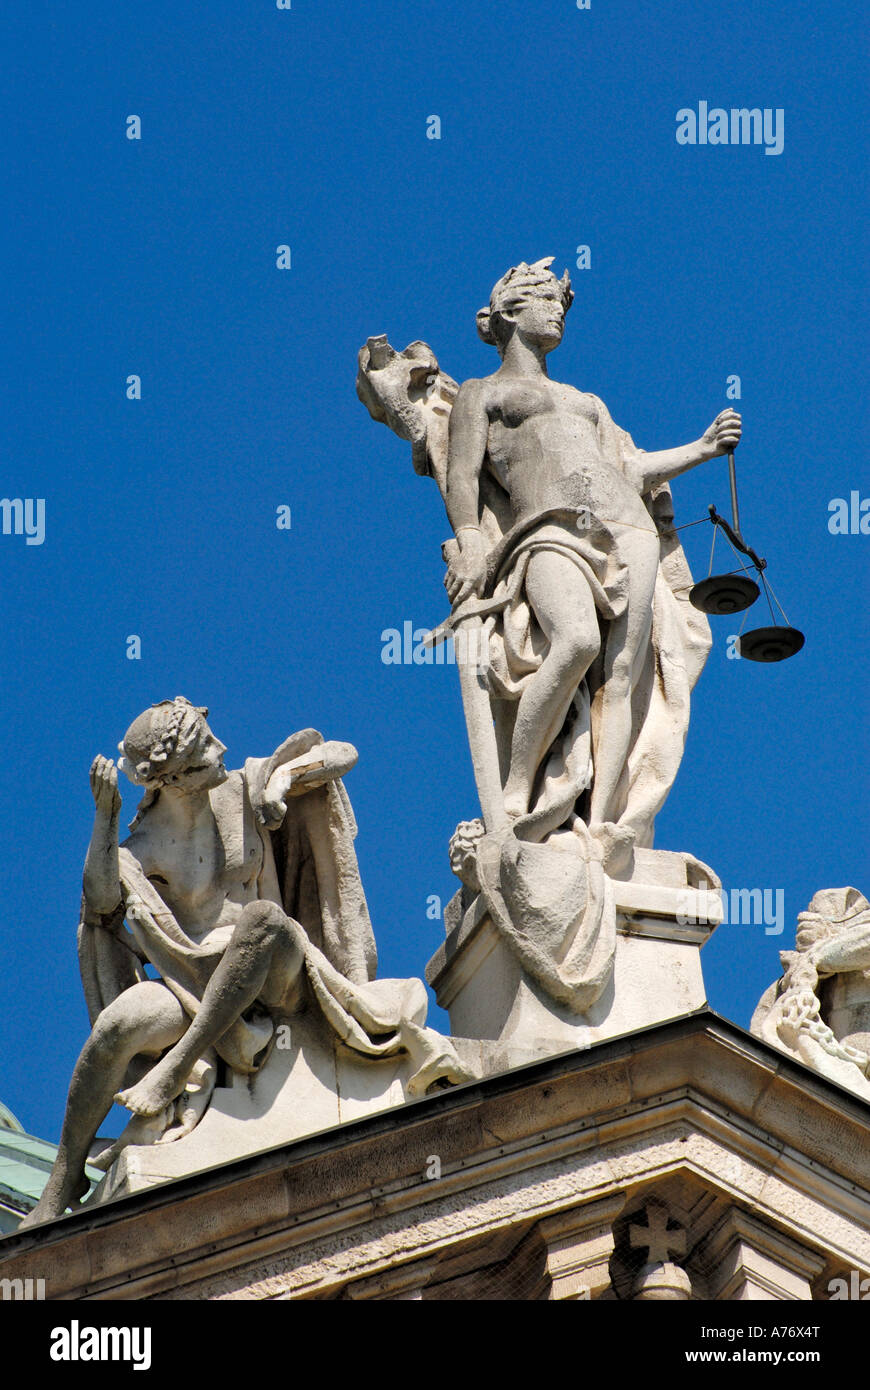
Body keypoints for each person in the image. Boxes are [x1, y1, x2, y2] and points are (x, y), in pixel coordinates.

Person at [24, 697, 472, 1225]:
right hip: (191, 982)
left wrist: (283, 780)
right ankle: (62, 1179)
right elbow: (102, 903)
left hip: (275, 975)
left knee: (264, 920)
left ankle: (175, 1067)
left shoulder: (242, 788)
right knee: (118, 1026)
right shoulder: (141, 847)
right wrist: (105, 819)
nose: (223, 749)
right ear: (173, 778)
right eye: (206, 748)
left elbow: (341, 753)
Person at [442, 259, 741, 862]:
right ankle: (518, 791)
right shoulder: (484, 394)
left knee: (624, 675)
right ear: (505, 314)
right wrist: (471, 538)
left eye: (560, 302)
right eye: (543, 300)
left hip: (625, 525)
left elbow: (627, 469)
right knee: (576, 640)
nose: (557, 311)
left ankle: (604, 821)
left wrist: (702, 449)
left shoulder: (586, 401)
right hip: (547, 529)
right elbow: (460, 476)